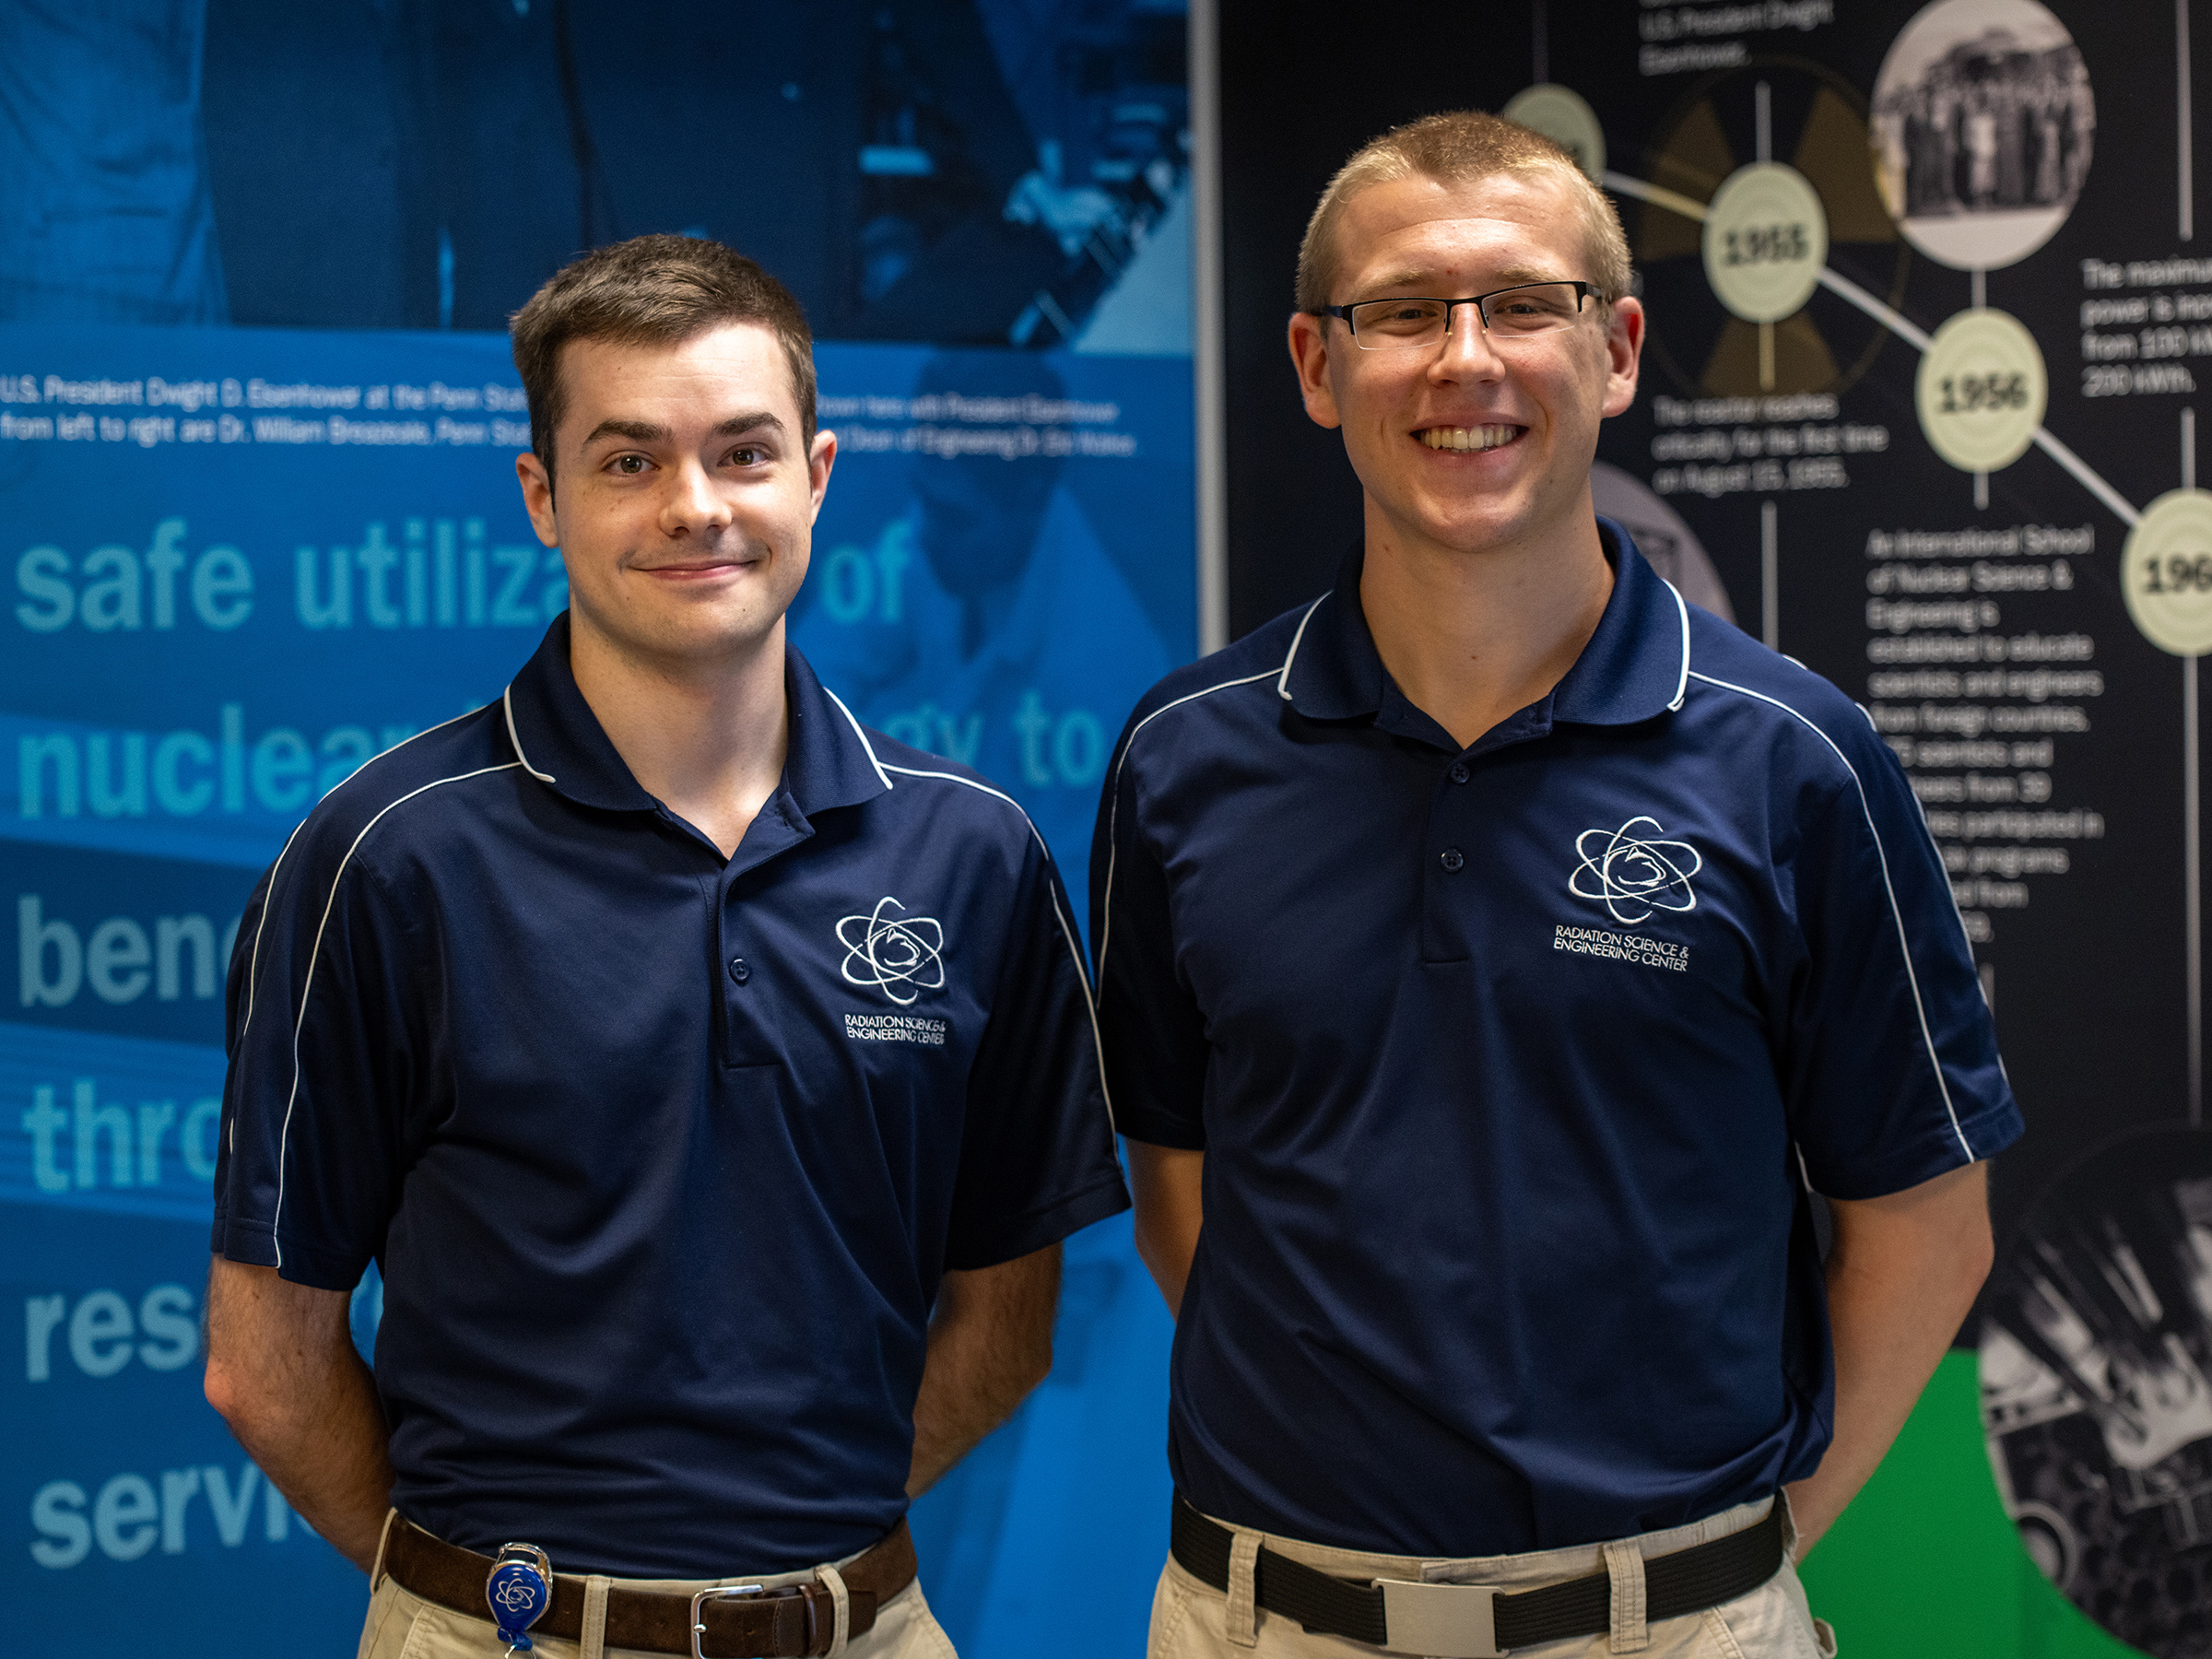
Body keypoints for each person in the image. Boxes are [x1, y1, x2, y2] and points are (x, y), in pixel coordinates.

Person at [1090, 112, 2019, 1659]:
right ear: (1319, 370)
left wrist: (1742, 1560)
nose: (1467, 361)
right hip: (1266, 1621)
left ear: (1619, 349)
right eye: (1404, 312)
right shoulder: (1182, 758)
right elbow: (1182, 1189)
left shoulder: (1798, 760)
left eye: (1523, 303)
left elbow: (1929, 1223)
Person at [203, 235, 1130, 1659]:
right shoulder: (387, 858)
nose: (696, 508)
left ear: (819, 475)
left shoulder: (977, 853)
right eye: (629, 461)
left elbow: (1008, 1327)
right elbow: (264, 1369)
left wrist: (792, 1573)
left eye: (743, 454)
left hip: (866, 1628)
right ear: (542, 498)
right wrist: (486, 1604)